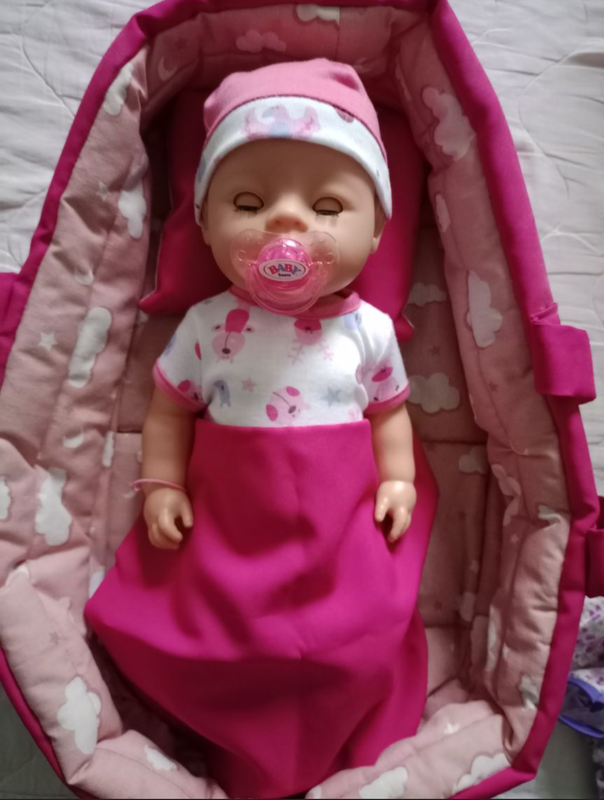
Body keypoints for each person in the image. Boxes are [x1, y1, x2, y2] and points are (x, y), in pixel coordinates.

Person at [85, 58, 428, 800]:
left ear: (376, 234)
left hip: (337, 532)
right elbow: (171, 408)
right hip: (235, 529)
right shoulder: (208, 324)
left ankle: (333, 710)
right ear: (206, 226)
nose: (287, 222)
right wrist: (162, 484)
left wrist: (398, 478)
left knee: (361, 631)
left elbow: (389, 410)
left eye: (327, 207)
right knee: (206, 637)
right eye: (248, 201)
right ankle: (241, 728)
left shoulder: (369, 330)